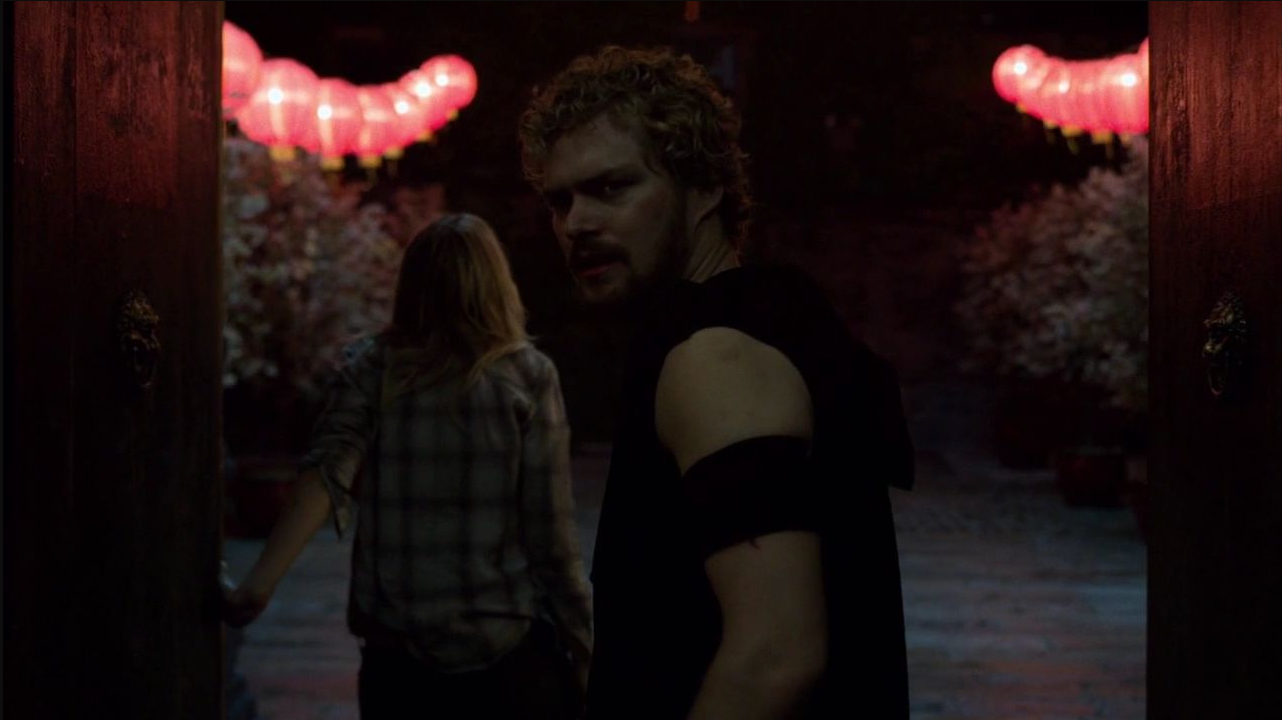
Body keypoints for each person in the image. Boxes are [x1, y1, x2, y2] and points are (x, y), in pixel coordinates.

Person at [519, 46, 915, 718]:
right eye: (560, 200)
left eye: (612, 187)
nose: (576, 223)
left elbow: (775, 656)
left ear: (704, 188)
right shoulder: (769, 324)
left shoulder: (716, 356)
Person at [221, 213, 593, 719]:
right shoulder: (528, 376)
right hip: (503, 652)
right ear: (495, 284)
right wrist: (586, 650)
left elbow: (326, 474)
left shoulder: (371, 367)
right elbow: (552, 540)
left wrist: (259, 586)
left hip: (397, 662)